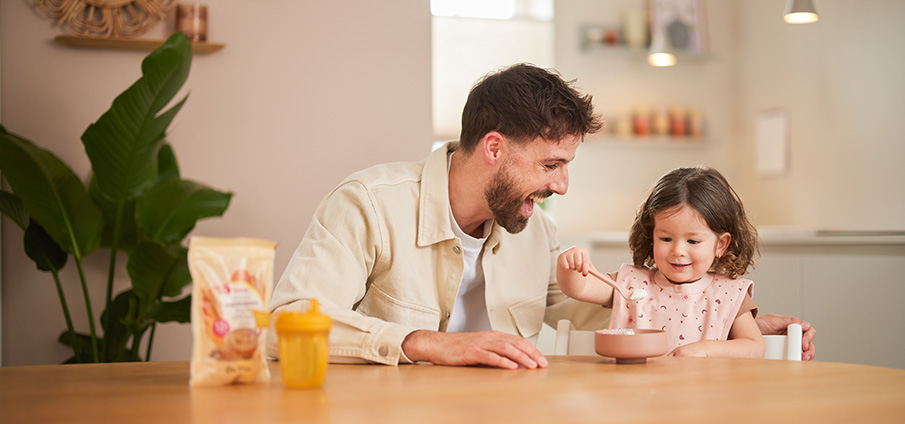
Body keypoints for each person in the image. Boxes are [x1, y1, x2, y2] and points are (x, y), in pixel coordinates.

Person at [268, 64, 816, 369]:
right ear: (494, 148)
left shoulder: (536, 232)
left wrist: (717, 318)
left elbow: (606, 311)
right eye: (551, 164)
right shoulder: (368, 203)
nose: (562, 184)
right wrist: (425, 342)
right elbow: (285, 321)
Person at [558, 167, 765, 358]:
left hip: (702, 395)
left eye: (692, 241)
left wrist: (704, 350)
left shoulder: (729, 294)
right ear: (651, 235)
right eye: (666, 239)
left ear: (721, 244)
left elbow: (754, 347)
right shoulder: (630, 285)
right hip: (631, 393)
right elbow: (579, 288)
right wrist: (568, 264)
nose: (677, 251)